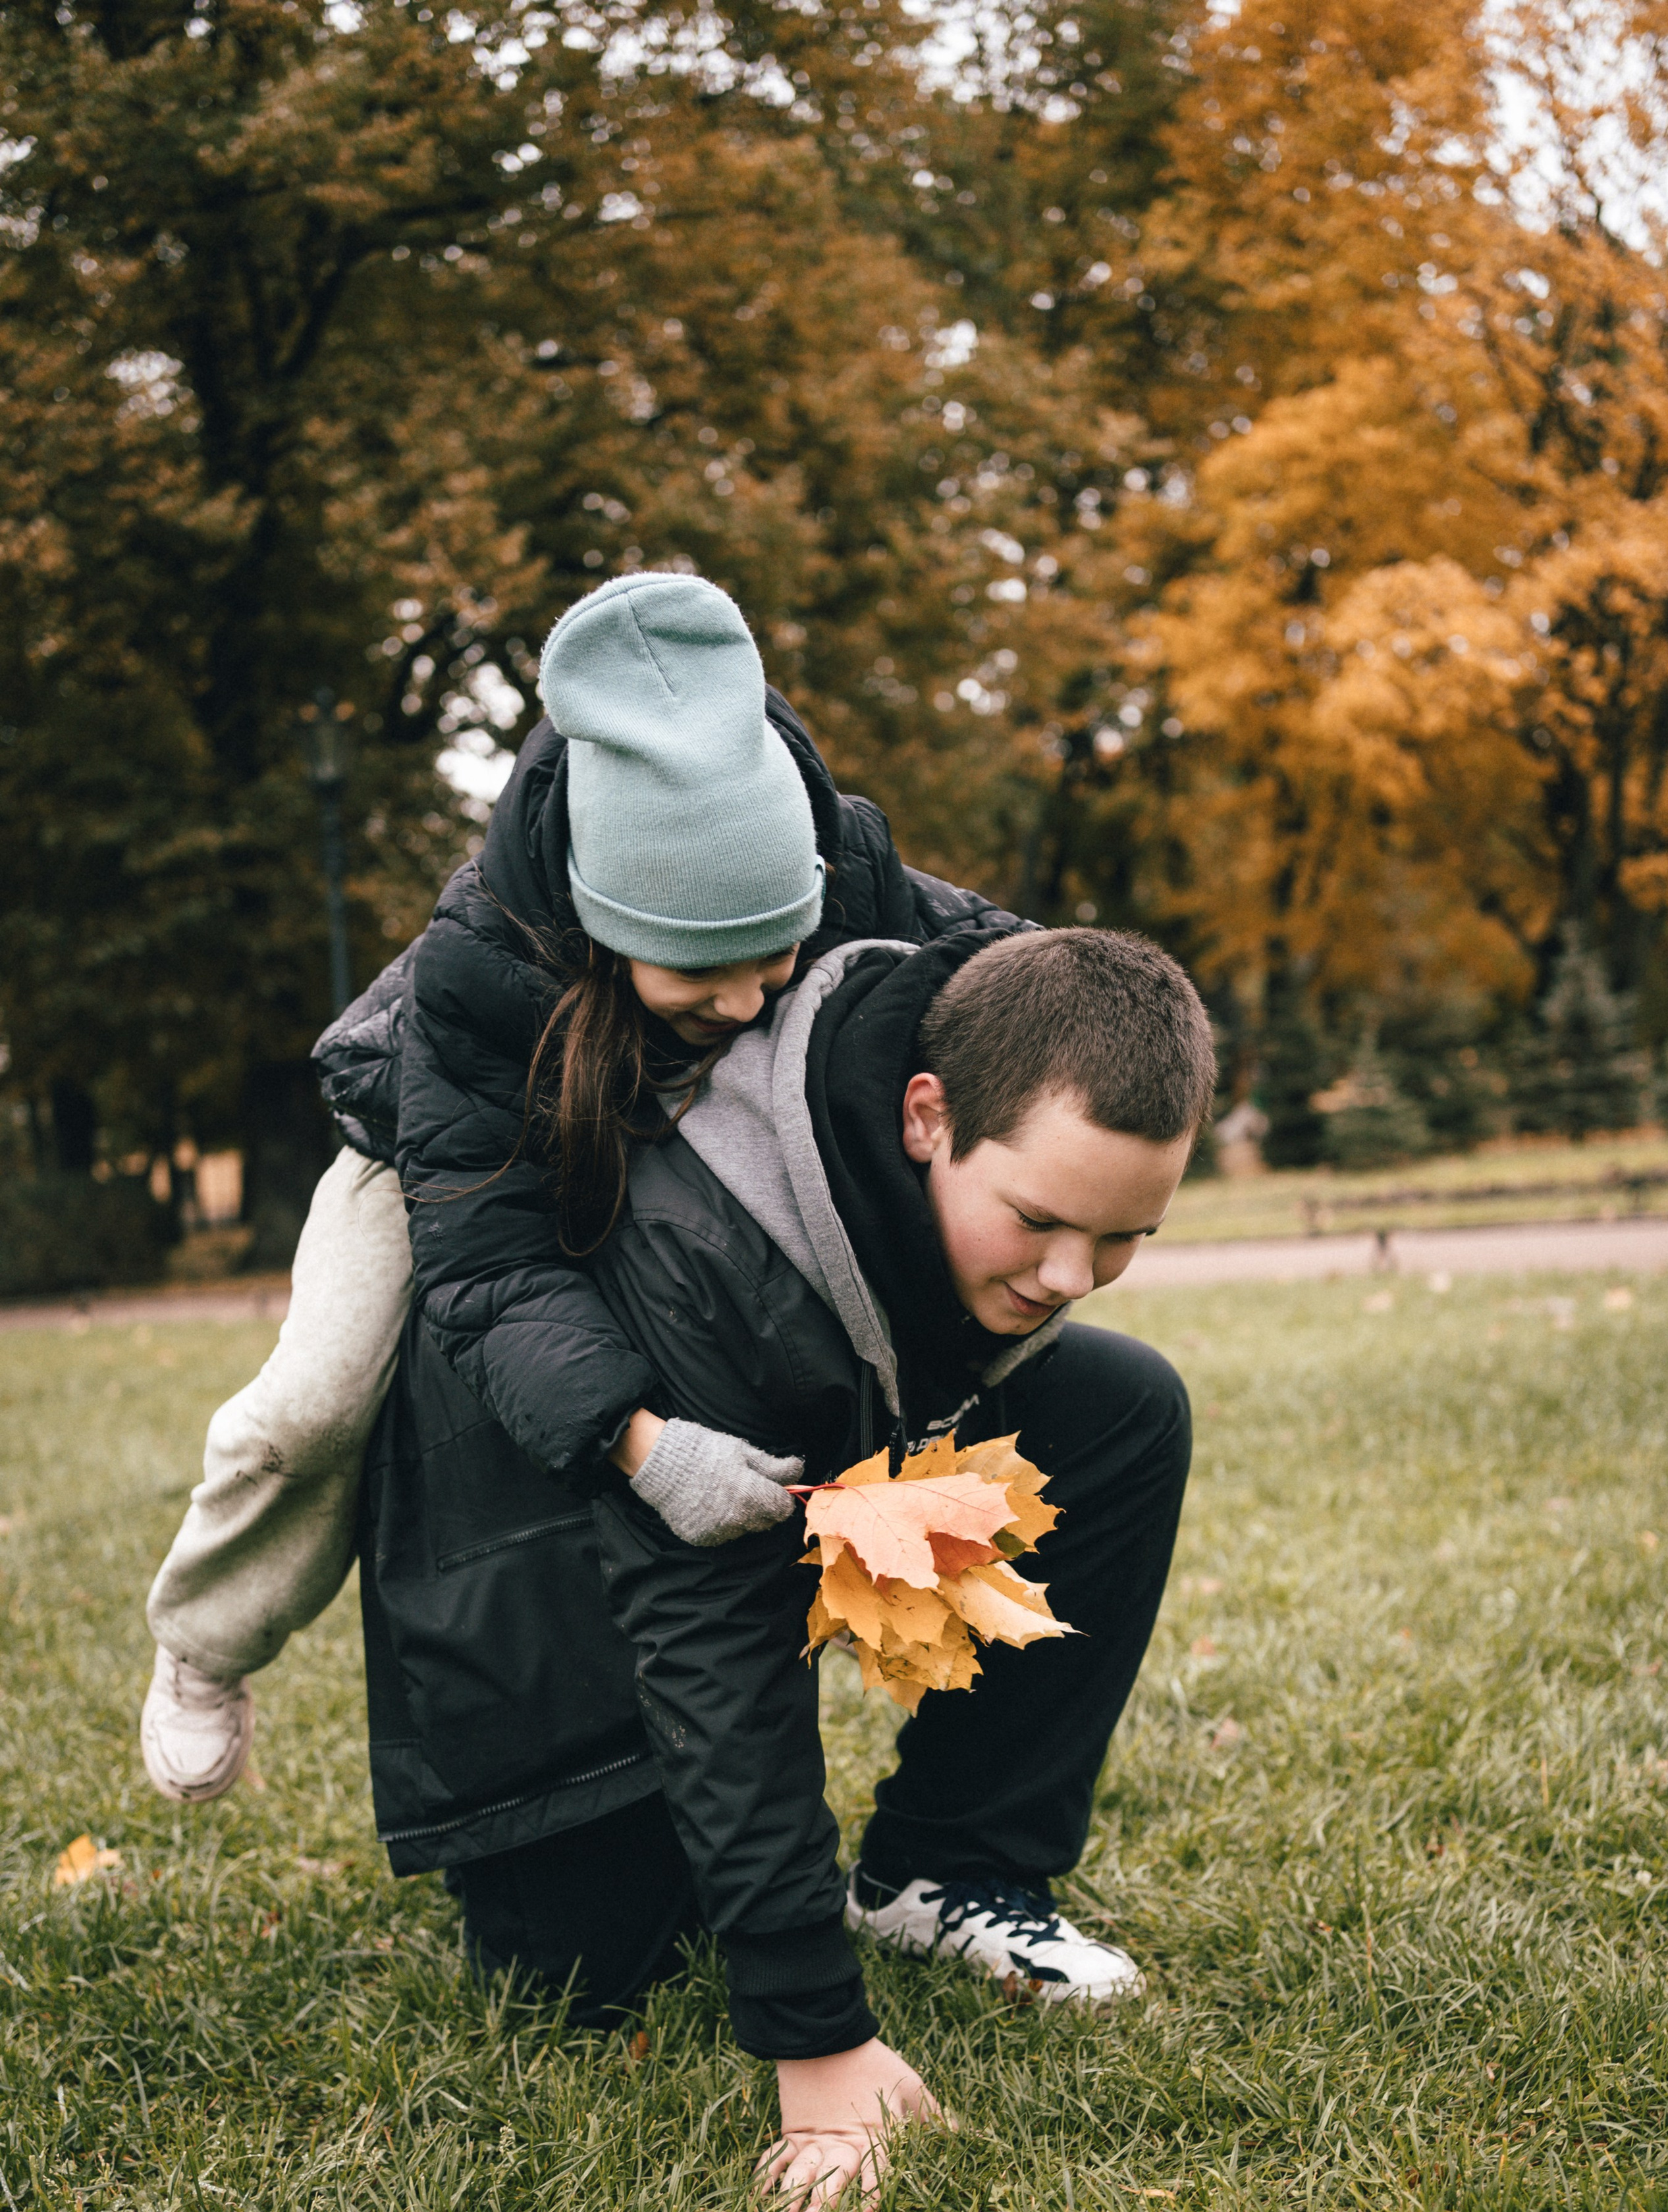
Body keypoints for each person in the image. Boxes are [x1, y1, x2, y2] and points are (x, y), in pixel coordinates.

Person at [363, 922, 1212, 2212]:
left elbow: (1012, 957)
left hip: (763, 1473)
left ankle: (949, 1870)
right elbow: (710, 1648)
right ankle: (584, 1858)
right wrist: (817, 2050)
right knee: (601, 1973)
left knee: (1118, 1404)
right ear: (924, 1119)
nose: (1066, 1278)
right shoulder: (713, 1249)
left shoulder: (923, 1021)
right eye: (1039, 1222)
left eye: (1117, 1240)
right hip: (534, 1625)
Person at [139, 568, 1016, 1799]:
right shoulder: (480, 965)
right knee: (313, 1407)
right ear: (608, 931)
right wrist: (639, 1445)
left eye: (774, 955)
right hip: (437, 1148)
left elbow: (999, 971)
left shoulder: (827, 849)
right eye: (697, 974)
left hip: (672, 1142)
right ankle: (201, 1644)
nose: (747, 1002)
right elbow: (489, 1267)